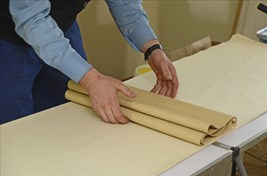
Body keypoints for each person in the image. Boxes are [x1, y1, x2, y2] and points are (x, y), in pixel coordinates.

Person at [0, 0, 179, 124]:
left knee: (68, 115)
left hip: (60, 26)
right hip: (7, 36)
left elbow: (125, 4)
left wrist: (151, 48)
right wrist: (91, 79)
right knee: (11, 127)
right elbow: (32, 21)